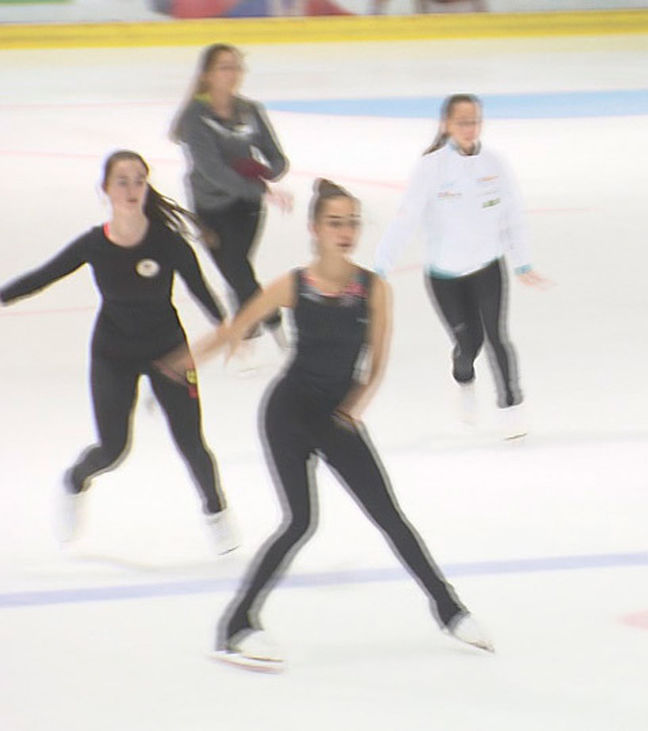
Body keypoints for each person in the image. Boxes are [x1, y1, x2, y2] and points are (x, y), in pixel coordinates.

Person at [175, 179, 492, 669]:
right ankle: (236, 626)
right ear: (315, 229)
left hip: (336, 417)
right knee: (300, 522)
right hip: (287, 413)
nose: (345, 232)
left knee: (389, 516)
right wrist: (180, 365)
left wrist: (353, 407)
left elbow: (376, 365)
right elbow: (235, 328)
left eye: (352, 223)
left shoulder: (374, 289)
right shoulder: (293, 284)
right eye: (335, 223)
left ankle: (451, 612)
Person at [0, 151, 234, 553]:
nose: (131, 189)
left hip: (169, 354)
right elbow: (42, 277)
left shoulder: (168, 243)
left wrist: (230, 329)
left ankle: (217, 513)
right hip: (114, 354)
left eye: (138, 180)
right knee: (113, 449)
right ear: (106, 189)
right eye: (122, 181)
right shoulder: (95, 244)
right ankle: (75, 481)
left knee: (191, 441)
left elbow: (202, 291)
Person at [375, 93, 548, 437]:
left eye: (475, 121)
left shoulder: (495, 163)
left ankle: (511, 406)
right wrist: (381, 267)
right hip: (445, 276)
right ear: (447, 125)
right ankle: (463, 377)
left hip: (488, 266)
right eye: (463, 122)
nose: (470, 129)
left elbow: (512, 214)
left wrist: (522, 261)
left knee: (497, 336)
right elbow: (406, 218)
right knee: (469, 343)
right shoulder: (431, 167)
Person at [171, 43, 292, 349]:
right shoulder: (195, 118)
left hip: (248, 208)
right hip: (210, 208)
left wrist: (266, 171)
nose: (233, 73)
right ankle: (271, 326)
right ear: (208, 75)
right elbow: (212, 170)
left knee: (238, 271)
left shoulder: (251, 111)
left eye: (237, 67)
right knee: (237, 272)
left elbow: (277, 158)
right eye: (225, 67)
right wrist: (259, 187)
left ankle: (252, 330)